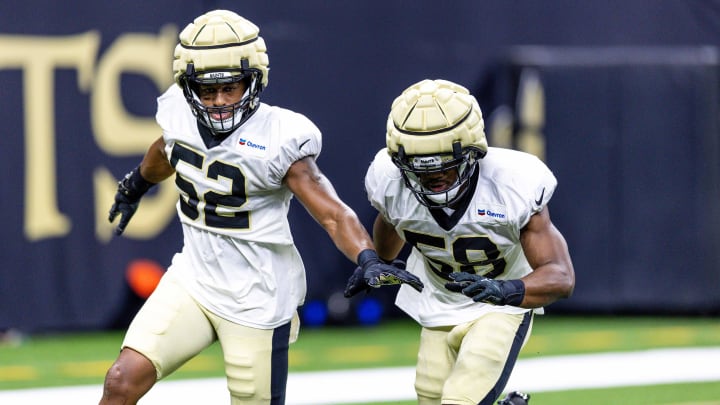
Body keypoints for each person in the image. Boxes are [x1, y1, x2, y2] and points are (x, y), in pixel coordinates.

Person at [100, 9, 422, 405]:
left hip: (259, 297)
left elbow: (331, 211)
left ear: (253, 81)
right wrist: (136, 184)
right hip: (194, 280)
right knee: (121, 381)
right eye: (207, 89)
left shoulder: (278, 136)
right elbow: (168, 150)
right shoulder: (179, 115)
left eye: (230, 88)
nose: (218, 101)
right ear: (188, 87)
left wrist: (368, 257)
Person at [344, 79, 575, 405]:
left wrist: (504, 291)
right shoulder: (389, 182)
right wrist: (376, 260)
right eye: (421, 171)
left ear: (472, 153)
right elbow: (393, 219)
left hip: (500, 308)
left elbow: (561, 277)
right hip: (438, 304)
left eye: (444, 167)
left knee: (461, 399)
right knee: (431, 398)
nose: (432, 179)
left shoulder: (512, 183)